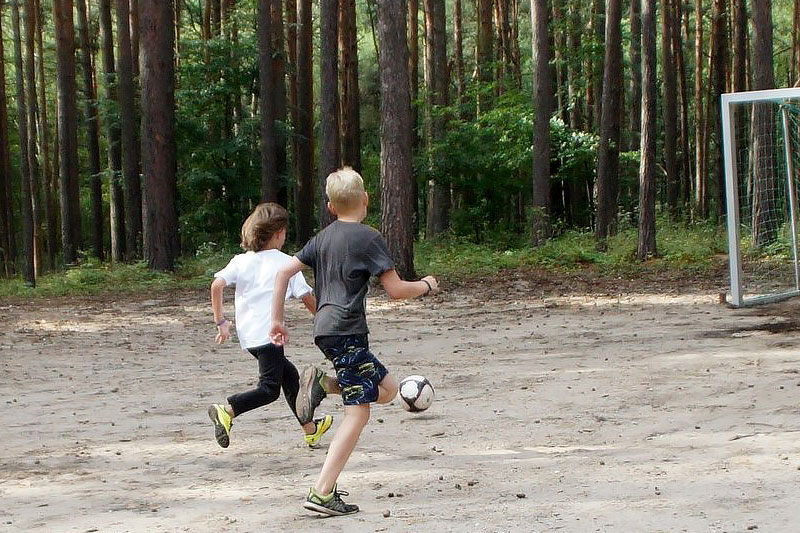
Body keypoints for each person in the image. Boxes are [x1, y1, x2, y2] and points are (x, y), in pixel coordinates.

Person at [269, 168, 439, 516]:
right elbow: (395, 290)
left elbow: (284, 272)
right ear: (366, 199)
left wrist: (276, 319)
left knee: (389, 391)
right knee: (358, 413)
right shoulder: (369, 238)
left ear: (330, 206)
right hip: (346, 333)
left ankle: (321, 383)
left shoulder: (322, 237)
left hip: (328, 330)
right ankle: (321, 492)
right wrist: (426, 285)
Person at [207, 202, 333, 450]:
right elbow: (307, 298)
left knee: (289, 375)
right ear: (278, 233)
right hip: (270, 335)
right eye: (285, 232)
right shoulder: (287, 263)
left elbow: (216, 286)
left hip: (249, 337)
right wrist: (327, 320)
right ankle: (228, 410)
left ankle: (310, 429)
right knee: (268, 389)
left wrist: (221, 321)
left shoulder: (241, 261)